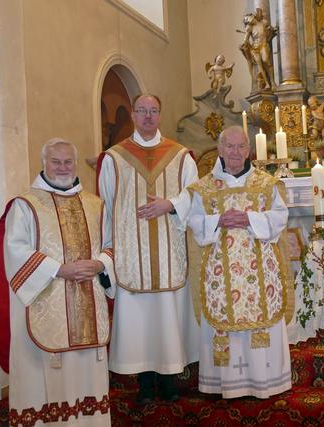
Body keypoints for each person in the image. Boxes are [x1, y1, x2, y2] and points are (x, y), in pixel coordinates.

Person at [0, 138, 114, 426]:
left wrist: (101, 263)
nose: (63, 167)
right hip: (45, 302)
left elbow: (113, 246)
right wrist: (59, 270)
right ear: (44, 163)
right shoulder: (26, 204)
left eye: (68, 162)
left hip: (88, 303)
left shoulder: (95, 205)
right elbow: (15, 250)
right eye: (56, 161)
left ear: (75, 164)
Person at [97, 94, 199, 404]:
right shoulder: (114, 157)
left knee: (167, 317)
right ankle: (144, 386)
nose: (147, 116)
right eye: (141, 111)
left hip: (170, 251)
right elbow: (107, 207)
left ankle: (168, 383)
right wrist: (108, 255)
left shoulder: (181, 156)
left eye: (153, 110)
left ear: (160, 113)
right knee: (140, 321)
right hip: (132, 253)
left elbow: (195, 195)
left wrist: (171, 204)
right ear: (132, 114)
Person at [188, 126, 292, 399]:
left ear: (249, 150)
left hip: (259, 269)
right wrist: (218, 220)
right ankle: (227, 383)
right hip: (220, 271)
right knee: (223, 312)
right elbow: (195, 223)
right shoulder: (203, 187)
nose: (235, 152)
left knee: (261, 316)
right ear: (220, 149)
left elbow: (281, 217)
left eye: (241, 146)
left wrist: (249, 219)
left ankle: (264, 381)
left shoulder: (266, 183)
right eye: (229, 146)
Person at [239, 8, 276, 92]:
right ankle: (267, 83)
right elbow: (246, 39)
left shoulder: (263, 22)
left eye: (247, 18)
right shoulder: (249, 27)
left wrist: (270, 30)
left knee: (266, 60)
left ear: (252, 16)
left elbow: (268, 33)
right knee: (259, 65)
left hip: (263, 45)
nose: (247, 20)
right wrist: (244, 44)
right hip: (255, 48)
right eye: (245, 20)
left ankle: (273, 82)